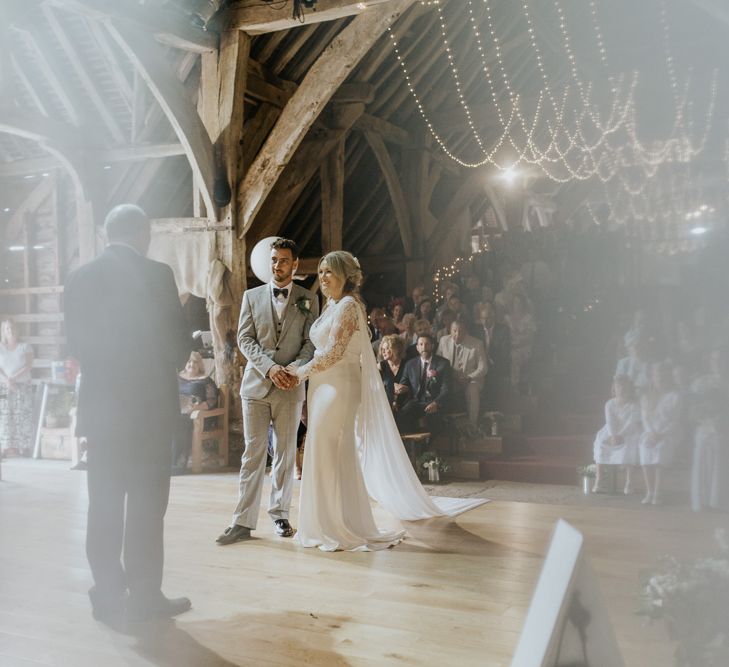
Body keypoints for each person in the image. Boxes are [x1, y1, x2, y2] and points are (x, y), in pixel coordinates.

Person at [288, 251, 484, 551]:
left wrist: (299, 373)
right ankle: (321, 522)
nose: (323, 277)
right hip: (321, 385)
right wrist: (300, 371)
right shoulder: (330, 305)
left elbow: (336, 352)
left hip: (340, 386)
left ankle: (339, 525)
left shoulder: (350, 306)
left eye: (329, 272)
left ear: (345, 276)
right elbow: (318, 349)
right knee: (321, 449)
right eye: (322, 271)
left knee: (333, 450)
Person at [64, 204, 192, 625]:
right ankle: (144, 596)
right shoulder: (157, 276)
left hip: (102, 412)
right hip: (149, 412)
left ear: (106, 233)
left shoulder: (80, 278)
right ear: (143, 233)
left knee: (103, 505)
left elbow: (77, 346)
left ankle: (105, 596)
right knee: (145, 506)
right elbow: (178, 346)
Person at [216, 238, 318, 546]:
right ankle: (242, 521)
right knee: (253, 454)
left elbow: (310, 343)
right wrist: (270, 368)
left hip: (290, 387)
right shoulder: (251, 296)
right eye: (274, 260)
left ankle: (280, 515)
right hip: (257, 386)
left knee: (286, 454)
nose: (277, 265)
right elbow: (245, 340)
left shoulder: (307, 299)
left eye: (284, 260)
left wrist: (293, 370)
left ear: (294, 264)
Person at [639, 361, 682, 505]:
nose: (660, 377)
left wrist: (660, 435)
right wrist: (651, 433)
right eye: (657, 374)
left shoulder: (675, 396)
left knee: (661, 450)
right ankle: (649, 491)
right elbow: (645, 418)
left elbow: (675, 421)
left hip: (669, 433)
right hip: (650, 433)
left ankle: (658, 492)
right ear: (653, 377)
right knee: (645, 448)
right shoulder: (647, 397)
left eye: (663, 374)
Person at [592, 375, 642, 494]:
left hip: (629, 431)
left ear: (630, 389)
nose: (622, 389)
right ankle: (599, 479)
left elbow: (631, 422)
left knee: (631, 444)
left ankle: (629, 482)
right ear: (614, 388)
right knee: (600, 440)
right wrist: (612, 435)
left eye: (625, 387)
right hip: (612, 430)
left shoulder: (635, 405)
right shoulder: (609, 403)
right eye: (619, 386)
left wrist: (621, 435)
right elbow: (610, 421)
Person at [436, 319, 486, 433]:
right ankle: (443, 428)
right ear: (450, 330)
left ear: (466, 331)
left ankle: (472, 426)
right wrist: (451, 375)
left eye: (461, 331)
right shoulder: (444, 341)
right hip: (451, 378)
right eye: (454, 331)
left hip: (471, 378)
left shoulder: (477, 343)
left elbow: (483, 368)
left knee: (472, 389)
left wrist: (468, 377)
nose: (457, 334)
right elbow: (438, 362)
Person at [173, 351, 219, 471]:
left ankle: (178, 462)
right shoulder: (177, 377)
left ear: (200, 366)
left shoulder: (205, 380)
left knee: (181, 422)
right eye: (189, 361)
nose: (192, 364)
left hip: (198, 415)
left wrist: (196, 408)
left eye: (195, 362)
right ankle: (164, 461)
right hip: (178, 411)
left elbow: (212, 401)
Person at [399, 333, 451, 435]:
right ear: (417, 347)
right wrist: (399, 388)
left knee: (431, 419)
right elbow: (403, 383)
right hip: (416, 401)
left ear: (432, 346)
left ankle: (428, 448)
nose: (424, 347)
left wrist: (436, 403)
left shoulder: (443, 363)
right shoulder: (410, 364)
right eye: (421, 344)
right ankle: (411, 447)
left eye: (427, 344)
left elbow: (446, 388)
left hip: (433, 401)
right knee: (403, 414)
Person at [0, 318, 34, 457]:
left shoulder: (25, 347)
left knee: (23, 416)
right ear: (4, 331)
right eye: (7, 328)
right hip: (4, 387)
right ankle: (6, 446)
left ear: (17, 330)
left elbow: (28, 366)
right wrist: (7, 381)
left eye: (12, 328)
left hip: (22, 386)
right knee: (5, 416)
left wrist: (13, 379)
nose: (10, 330)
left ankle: (23, 447)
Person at [505, 293, 536, 392]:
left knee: (515, 356)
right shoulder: (507, 318)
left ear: (523, 304)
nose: (517, 304)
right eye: (515, 302)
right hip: (509, 346)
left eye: (519, 302)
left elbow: (531, 337)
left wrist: (517, 344)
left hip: (524, 347)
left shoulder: (528, 318)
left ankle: (515, 385)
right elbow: (502, 334)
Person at [378, 334, 408, 421]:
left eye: (387, 348)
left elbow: (415, 386)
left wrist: (407, 388)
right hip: (386, 402)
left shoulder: (408, 364)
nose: (383, 351)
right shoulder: (381, 366)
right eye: (382, 349)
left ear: (396, 349)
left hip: (404, 401)